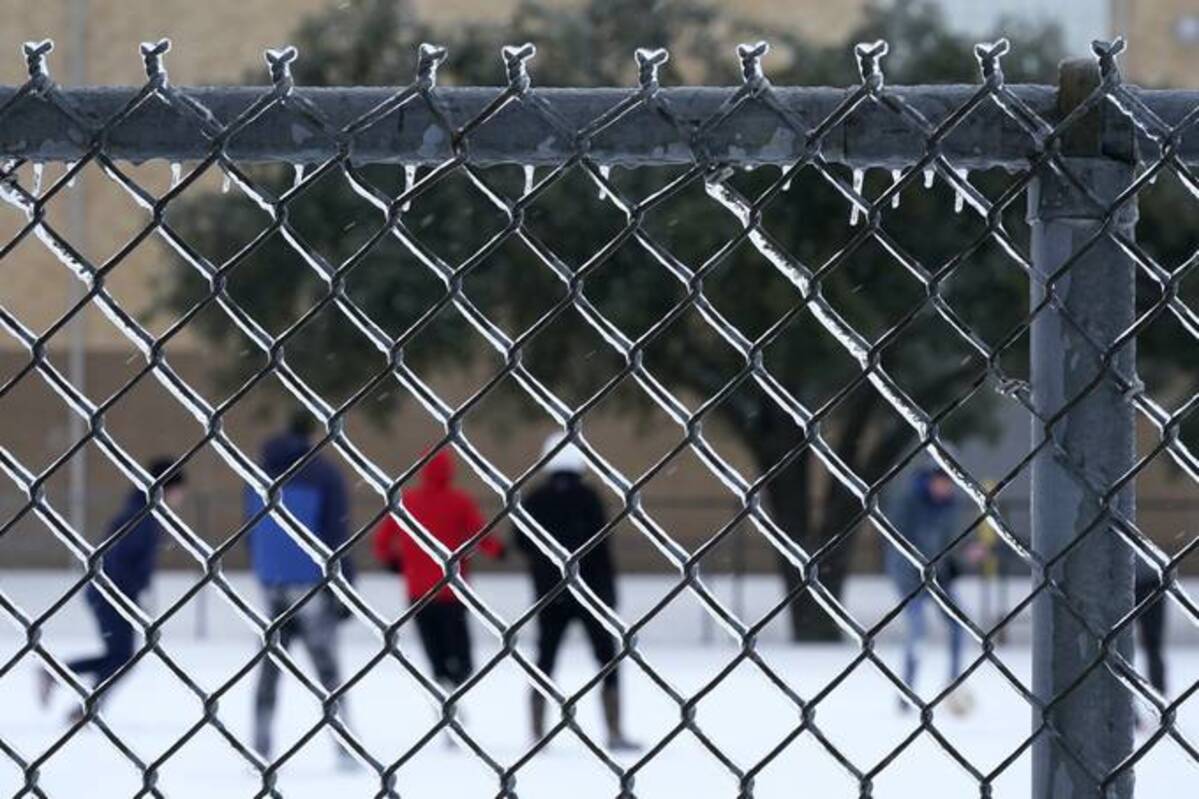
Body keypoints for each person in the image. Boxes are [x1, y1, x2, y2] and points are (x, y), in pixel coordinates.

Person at [246, 412, 356, 767]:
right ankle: (344, 746)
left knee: (270, 667)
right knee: (327, 671)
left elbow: (251, 533)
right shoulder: (324, 474)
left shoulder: (257, 471)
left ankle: (259, 746)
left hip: (272, 580)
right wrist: (345, 587)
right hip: (311, 584)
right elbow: (336, 533)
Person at [516, 433, 639, 751]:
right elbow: (602, 547)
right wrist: (609, 592)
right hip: (591, 592)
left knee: (545, 658)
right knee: (606, 658)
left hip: (549, 592)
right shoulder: (589, 497)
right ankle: (614, 729)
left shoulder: (535, 499)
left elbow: (520, 541)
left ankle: (536, 731)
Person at [40, 459, 186, 717]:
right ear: (167, 488)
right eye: (179, 489)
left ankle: (75, 693)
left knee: (120, 657)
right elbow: (118, 559)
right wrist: (126, 594)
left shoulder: (143, 512)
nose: (182, 497)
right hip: (112, 594)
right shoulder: (141, 516)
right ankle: (79, 699)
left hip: (114, 593)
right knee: (121, 658)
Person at [372, 448, 503, 698]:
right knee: (461, 653)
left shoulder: (407, 502)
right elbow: (480, 534)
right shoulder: (459, 501)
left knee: (434, 650)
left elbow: (382, 540)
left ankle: (443, 687)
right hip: (452, 592)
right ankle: (457, 687)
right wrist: (498, 550)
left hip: (419, 594)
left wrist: (392, 561)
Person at [884, 466, 974, 716]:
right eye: (941, 483)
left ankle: (954, 683)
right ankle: (906, 691)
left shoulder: (951, 506)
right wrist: (913, 579)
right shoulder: (908, 503)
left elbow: (947, 543)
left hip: (938, 577)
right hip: (909, 577)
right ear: (931, 481)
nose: (945, 488)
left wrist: (956, 563)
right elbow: (896, 545)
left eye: (950, 484)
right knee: (917, 632)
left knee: (958, 623)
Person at [1135, 559, 1167, 699]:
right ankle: (1160, 697)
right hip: (1149, 582)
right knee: (1153, 645)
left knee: (1153, 645)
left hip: (1149, 583)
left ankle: (1160, 697)